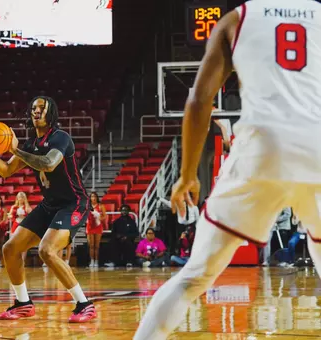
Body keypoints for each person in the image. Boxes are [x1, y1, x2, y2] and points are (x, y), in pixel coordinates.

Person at [134, 1, 321, 339]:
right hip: (318, 147)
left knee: (195, 277)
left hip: (262, 149)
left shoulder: (236, 18)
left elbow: (198, 100)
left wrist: (189, 174)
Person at [0, 96, 96, 322]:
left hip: (74, 203)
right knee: (10, 249)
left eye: (42, 108)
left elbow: (48, 163)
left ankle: (85, 304)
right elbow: (5, 171)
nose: (36, 111)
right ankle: (23, 303)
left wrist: (16, 150)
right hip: (49, 205)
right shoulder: (30, 144)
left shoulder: (60, 137)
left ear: (51, 113)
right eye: (33, 108)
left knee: (47, 250)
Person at [9, 192, 32, 263]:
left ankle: (22, 261)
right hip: (15, 225)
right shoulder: (14, 207)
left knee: (24, 244)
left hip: (24, 226)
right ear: (17, 198)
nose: (20, 199)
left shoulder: (27, 207)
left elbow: (31, 216)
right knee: (14, 244)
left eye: (22, 197)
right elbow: (10, 215)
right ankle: (15, 261)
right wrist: (12, 216)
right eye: (19, 197)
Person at [86, 192, 107, 268]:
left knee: (97, 245)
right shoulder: (87, 206)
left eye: (94, 196)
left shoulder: (101, 206)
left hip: (98, 226)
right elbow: (84, 215)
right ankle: (91, 260)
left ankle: (96, 261)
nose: (93, 198)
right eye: (92, 196)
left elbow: (105, 216)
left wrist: (99, 218)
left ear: (97, 198)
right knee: (91, 245)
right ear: (90, 198)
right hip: (90, 226)